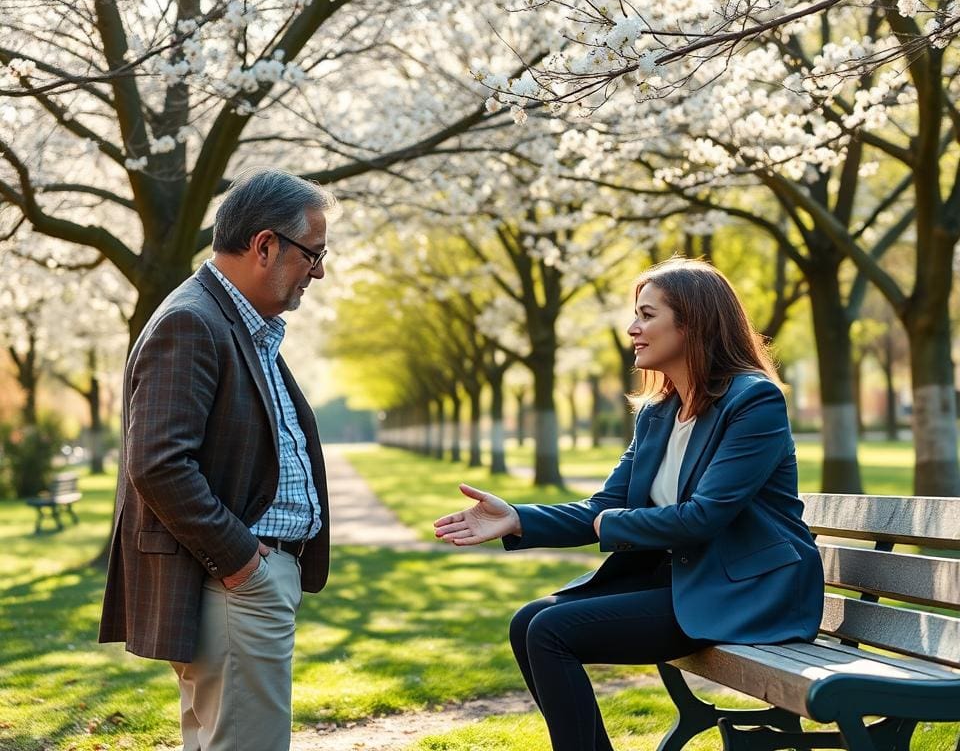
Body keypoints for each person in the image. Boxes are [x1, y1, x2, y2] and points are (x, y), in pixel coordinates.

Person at [434, 257, 824, 751]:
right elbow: (606, 503)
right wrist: (517, 518)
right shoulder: (658, 414)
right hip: (685, 580)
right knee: (528, 622)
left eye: (647, 314)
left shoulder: (753, 401)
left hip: (748, 591)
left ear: (693, 322)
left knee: (552, 630)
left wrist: (606, 524)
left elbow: (704, 517)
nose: (632, 328)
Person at [99, 168, 338, 751]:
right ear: (264, 245)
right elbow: (158, 463)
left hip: (239, 584)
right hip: (232, 584)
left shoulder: (234, 323)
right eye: (313, 254)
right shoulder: (193, 321)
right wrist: (243, 563)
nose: (319, 271)